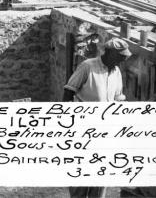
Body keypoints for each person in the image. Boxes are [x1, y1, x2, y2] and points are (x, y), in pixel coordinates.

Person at [63, 38, 130, 198]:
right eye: (121, 56)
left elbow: (118, 98)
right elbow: (68, 91)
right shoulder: (88, 66)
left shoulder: (116, 71)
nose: (123, 60)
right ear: (109, 53)